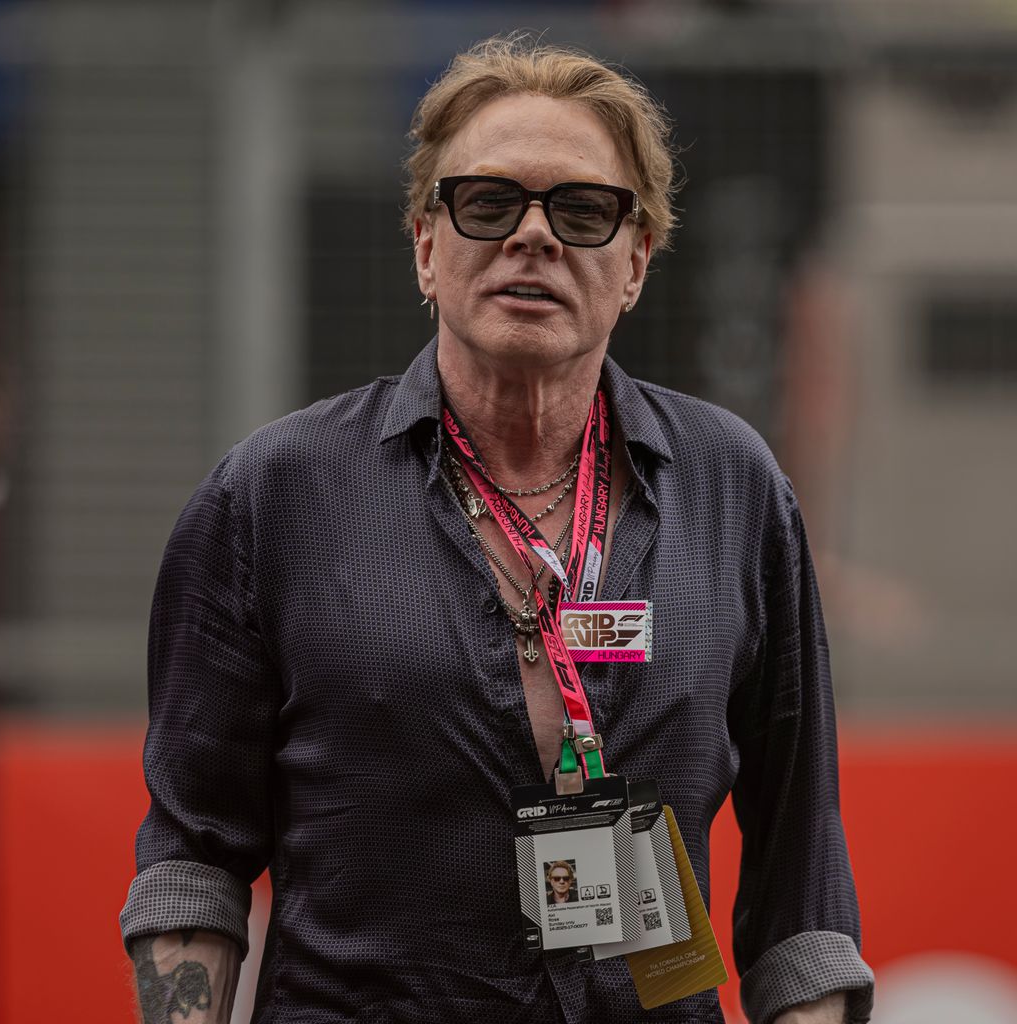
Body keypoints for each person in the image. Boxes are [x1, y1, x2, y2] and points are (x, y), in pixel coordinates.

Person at [120, 35, 874, 1024]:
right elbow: (195, 858)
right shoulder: (273, 495)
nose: (532, 237)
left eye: (583, 209)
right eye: (487, 203)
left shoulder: (734, 487)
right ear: (427, 246)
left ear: (636, 259)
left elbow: (799, 896)